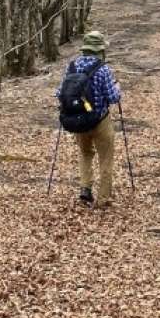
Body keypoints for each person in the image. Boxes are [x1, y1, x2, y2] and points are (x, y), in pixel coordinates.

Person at [56, 30, 122, 208]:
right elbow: (113, 97)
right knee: (106, 158)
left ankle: (85, 188)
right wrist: (118, 88)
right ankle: (102, 199)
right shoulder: (103, 69)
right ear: (100, 49)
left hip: (79, 120)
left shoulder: (72, 66)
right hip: (100, 121)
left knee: (85, 154)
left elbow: (59, 93)